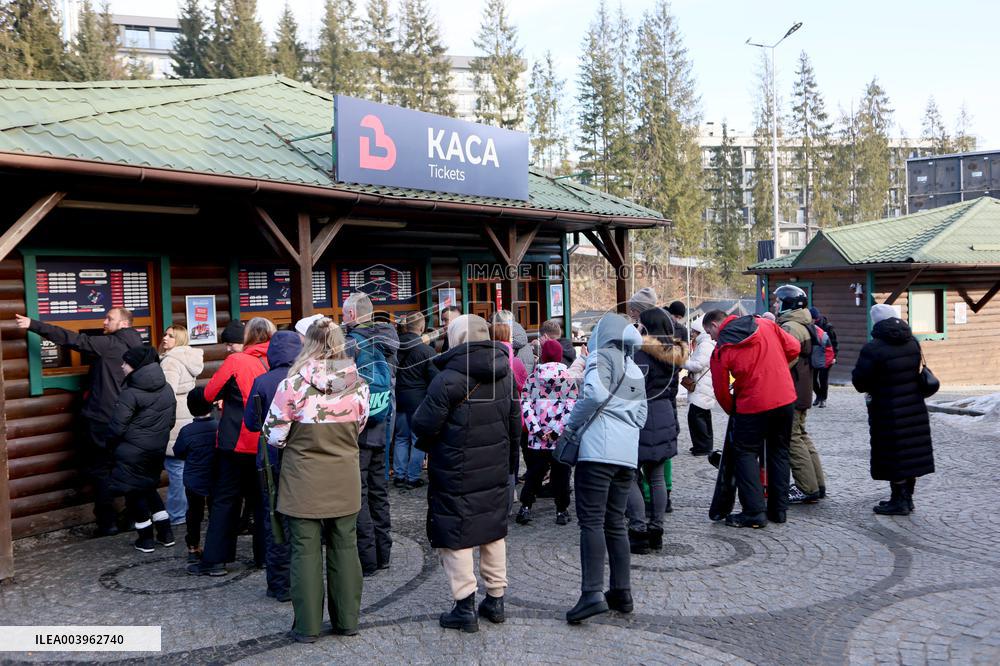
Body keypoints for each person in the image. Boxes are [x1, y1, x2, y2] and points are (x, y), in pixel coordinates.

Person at [411, 314, 520, 633]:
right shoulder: (506, 373)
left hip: (455, 468)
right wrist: (511, 466)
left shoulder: (448, 379)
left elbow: (423, 424)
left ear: (456, 339)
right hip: (495, 466)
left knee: (457, 533)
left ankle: (464, 606)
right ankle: (496, 600)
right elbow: (516, 425)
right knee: (493, 530)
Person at [264, 318, 370, 642]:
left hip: (303, 481)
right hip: (344, 477)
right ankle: (347, 621)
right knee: (345, 547)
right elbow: (360, 427)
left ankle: (307, 627)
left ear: (307, 343)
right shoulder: (359, 385)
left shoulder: (291, 385)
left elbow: (273, 436)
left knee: (305, 552)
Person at [14, 308, 143, 535]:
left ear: (123, 324)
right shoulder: (141, 347)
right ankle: (134, 519)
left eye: (109, 319)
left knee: (100, 470)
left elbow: (72, 339)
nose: (104, 322)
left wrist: (33, 324)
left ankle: (108, 524)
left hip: (103, 419)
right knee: (127, 467)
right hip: (130, 418)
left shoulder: (110, 344)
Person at [563, 313, 647, 624]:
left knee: (592, 523)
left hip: (597, 452)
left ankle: (591, 594)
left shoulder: (600, 356)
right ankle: (621, 592)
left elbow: (594, 394)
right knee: (615, 523)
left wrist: (572, 426)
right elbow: (641, 416)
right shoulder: (634, 366)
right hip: (626, 456)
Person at [188, 317, 274, 576]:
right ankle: (265, 557)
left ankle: (215, 560)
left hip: (236, 443)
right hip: (266, 443)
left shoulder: (237, 361)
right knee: (262, 502)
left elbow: (209, 394)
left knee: (225, 500)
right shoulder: (277, 360)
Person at [707, 309, 800, 527]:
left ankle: (754, 512)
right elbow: (795, 348)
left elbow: (721, 390)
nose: (711, 338)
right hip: (785, 398)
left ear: (714, 326)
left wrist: (732, 410)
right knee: (780, 452)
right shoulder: (766, 325)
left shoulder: (721, 349)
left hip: (752, 405)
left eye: (709, 333)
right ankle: (778, 510)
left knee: (745, 454)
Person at [852, 304, 935, 516]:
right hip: (914, 405)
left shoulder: (873, 348)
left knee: (893, 453)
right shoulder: (912, 343)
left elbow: (860, 382)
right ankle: (907, 498)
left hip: (887, 408)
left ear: (876, 322)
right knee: (910, 452)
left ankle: (899, 500)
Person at [243, 330, 303, 602]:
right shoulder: (305, 379)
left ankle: (279, 584)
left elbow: (252, 423)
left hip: (270, 459)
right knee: (302, 519)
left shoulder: (263, 381)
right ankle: (302, 579)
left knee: (274, 519)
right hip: (303, 459)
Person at [343, 293, 399, 576]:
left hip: (360, 427)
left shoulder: (350, 343)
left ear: (352, 315)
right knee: (380, 490)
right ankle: (384, 552)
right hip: (384, 421)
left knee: (360, 493)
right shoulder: (390, 340)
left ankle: (368, 559)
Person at [626, 307, 685, 554]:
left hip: (641, 415)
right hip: (665, 413)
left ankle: (638, 530)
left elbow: (631, 391)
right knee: (657, 478)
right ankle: (656, 530)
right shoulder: (673, 354)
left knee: (629, 476)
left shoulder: (639, 355)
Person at [107, 345, 177, 552]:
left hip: (131, 450)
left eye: (126, 362)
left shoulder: (131, 392)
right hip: (156, 448)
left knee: (134, 492)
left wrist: (110, 445)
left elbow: (117, 427)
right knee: (147, 487)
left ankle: (146, 540)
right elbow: (170, 421)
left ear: (136, 366)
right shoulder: (167, 387)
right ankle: (166, 533)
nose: (122, 366)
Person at [517, 339, 579, 526]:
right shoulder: (568, 379)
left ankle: (525, 507)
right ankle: (562, 510)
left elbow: (525, 405)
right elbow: (572, 408)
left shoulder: (533, 378)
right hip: (559, 438)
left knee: (534, 473)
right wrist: (556, 431)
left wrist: (537, 430)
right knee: (561, 475)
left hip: (537, 438)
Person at [775, 285, 827, 504]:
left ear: (788, 303)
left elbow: (783, 361)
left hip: (793, 390)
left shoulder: (791, 327)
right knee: (802, 436)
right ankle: (817, 484)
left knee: (793, 439)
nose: (775, 305)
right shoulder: (803, 323)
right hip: (803, 389)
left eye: (778, 301)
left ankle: (806, 487)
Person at [159, 324, 205, 527]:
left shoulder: (170, 361)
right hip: (186, 416)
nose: (165, 338)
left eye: (171, 336)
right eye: (165, 334)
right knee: (184, 469)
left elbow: (166, 394)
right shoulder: (190, 358)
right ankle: (188, 510)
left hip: (174, 419)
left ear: (179, 340)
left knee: (176, 470)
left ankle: (177, 514)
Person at [393, 312, 438, 489]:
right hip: (419, 401)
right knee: (417, 439)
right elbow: (435, 379)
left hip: (399, 399)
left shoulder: (394, 347)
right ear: (421, 328)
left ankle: (398, 475)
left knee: (401, 438)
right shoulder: (426, 351)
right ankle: (412, 477)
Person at [173, 387, 217, 563]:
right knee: (215, 512)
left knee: (194, 514)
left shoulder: (187, 431)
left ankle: (193, 546)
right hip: (216, 477)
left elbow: (178, 452)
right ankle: (215, 546)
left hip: (194, 479)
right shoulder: (219, 427)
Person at [684, 316, 717, 456]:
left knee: (696, 417)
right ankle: (703, 445)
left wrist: (683, 362)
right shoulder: (707, 344)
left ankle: (702, 447)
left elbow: (698, 365)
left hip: (702, 387)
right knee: (703, 416)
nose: (692, 334)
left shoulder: (704, 345)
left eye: (694, 331)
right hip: (705, 386)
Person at [810, 307, 838, 408]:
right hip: (814, 356)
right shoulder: (809, 326)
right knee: (813, 380)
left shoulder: (827, 327)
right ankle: (818, 395)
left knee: (823, 379)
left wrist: (834, 356)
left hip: (826, 356)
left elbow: (834, 343)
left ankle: (823, 399)